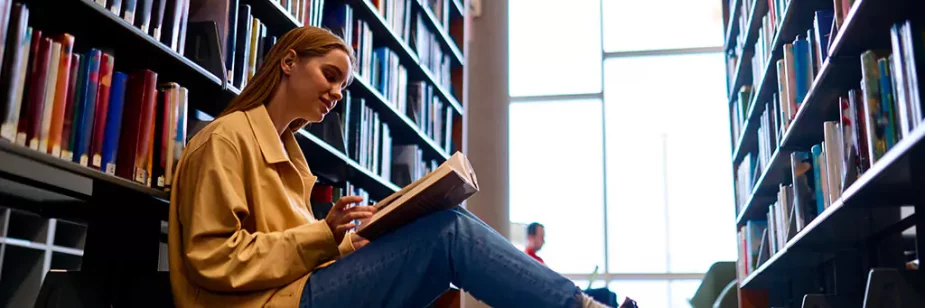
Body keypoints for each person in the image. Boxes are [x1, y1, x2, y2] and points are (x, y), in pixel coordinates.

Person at [168, 26, 608, 308]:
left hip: (289, 294)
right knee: (449, 232)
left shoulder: (287, 151)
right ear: (288, 62)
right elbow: (214, 259)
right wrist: (324, 235)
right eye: (330, 74)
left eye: (343, 85)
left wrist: (352, 242)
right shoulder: (226, 139)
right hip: (267, 304)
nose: (337, 91)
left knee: (445, 222)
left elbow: (285, 251)